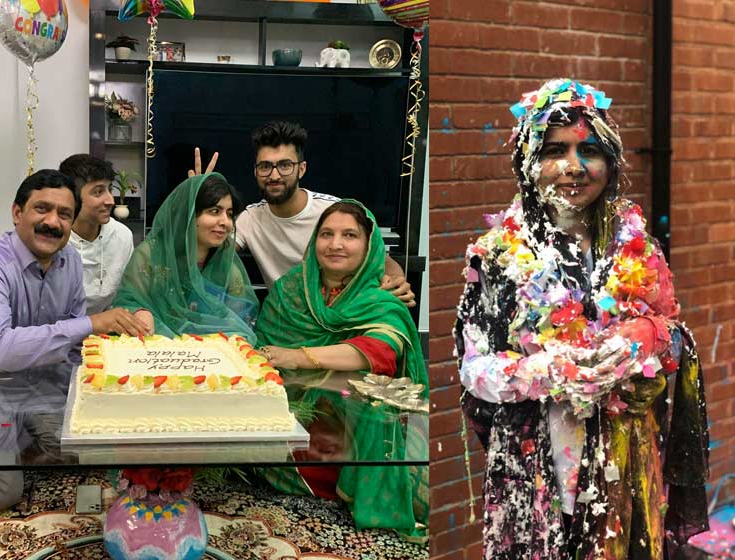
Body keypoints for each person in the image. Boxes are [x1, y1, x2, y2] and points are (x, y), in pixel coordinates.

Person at [455, 79, 708, 558]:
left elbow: (675, 336)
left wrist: (650, 336)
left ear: (610, 163)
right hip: (536, 467)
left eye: (589, 150)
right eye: (555, 150)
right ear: (528, 161)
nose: (575, 167)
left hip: (624, 465)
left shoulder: (639, 247)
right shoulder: (497, 257)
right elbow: (474, 369)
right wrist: (549, 371)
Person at [0, 169, 148, 512]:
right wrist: (90, 323)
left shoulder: (69, 262)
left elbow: (74, 348)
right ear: (17, 212)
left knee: (88, 443)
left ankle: (9, 444)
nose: (53, 222)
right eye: (42, 209)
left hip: (34, 384)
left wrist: (96, 389)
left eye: (64, 214)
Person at [254, 199, 428, 541]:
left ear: (368, 245)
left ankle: (363, 489)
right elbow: (266, 345)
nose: (335, 244)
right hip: (292, 397)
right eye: (326, 234)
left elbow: (380, 350)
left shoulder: (380, 295)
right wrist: (288, 364)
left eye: (349, 235)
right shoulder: (292, 288)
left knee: (370, 405)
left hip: (352, 407)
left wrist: (299, 356)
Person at [188, 121, 415, 306]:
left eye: (285, 165)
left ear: (302, 169)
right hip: (284, 320)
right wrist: (199, 200)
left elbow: (383, 261)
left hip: (339, 312)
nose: (274, 175)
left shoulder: (333, 211)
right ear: (256, 172)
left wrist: (396, 281)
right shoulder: (250, 219)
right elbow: (208, 251)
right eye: (265, 167)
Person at [113, 173, 259, 342]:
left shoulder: (227, 269)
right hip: (153, 350)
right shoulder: (151, 256)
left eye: (230, 214)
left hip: (214, 354)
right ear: (188, 214)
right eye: (215, 211)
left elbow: (240, 325)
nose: (225, 222)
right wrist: (139, 311)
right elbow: (128, 301)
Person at [60, 154, 134, 315]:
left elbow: (128, 295)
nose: (110, 201)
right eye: (98, 192)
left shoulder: (122, 236)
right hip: (60, 327)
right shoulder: (56, 239)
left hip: (107, 327)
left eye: (110, 189)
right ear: (72, 197)